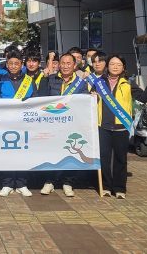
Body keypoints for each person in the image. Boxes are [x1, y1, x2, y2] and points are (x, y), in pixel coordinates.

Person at [95, 55, 147, 199]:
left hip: (121, 127)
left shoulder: (129, 83)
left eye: (118, 64)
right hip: (103, 127)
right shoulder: (98, 82)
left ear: (123, 67)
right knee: (104, 158)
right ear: (107, 66)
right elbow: (90, 98)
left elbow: (142, 98)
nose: (115, 66)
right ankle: (106, 186)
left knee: (121, 158)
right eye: (112, 64)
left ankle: (119, 188)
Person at [38, 53, 91, 197]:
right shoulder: (51, 79)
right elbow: (42, 97)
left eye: (69, 63)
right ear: (59, 64)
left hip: (71, 123)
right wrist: (44, 79)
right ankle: (49, 181)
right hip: (53, 124)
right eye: (63, 63)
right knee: (52, 153)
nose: (65, 66)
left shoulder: (81, 83)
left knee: (71, 152)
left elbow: (84, 102)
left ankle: (68, 182)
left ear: (74, 66)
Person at [0, 50, 38, 197]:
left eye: (17, 63)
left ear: (22, 65)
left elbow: (36, 99)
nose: (14, 66)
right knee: (7, 153)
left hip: (24, 122)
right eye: (11, 63)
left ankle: (22, 183)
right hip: (6, 122)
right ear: (7, 65)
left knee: (23, 152)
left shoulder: (29, 80)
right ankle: (7, 183)